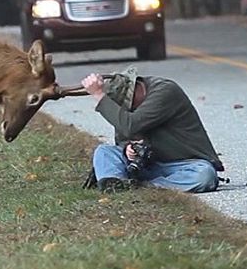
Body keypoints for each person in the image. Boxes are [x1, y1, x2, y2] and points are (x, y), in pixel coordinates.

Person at [81, 65, 224, 193]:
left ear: (136, 89)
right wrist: (128, 149)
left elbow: (130, 126)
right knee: (104, 152)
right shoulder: (128, 111)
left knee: (205, 175)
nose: (128, 111)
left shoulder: (165, 91)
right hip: (148, 165)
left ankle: (144, 187)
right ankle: (113, 183)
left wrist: (99, 95)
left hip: (183, 164)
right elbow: (123, 137)